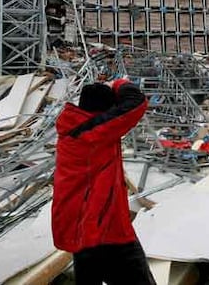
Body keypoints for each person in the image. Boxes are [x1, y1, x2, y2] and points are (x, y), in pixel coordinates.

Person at [52, 78, 156, 285]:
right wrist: (118, 83)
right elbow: (136, 102)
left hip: (81, 229)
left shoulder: (74, 129)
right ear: (104, 112)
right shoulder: (94, 133)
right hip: (104, 229)